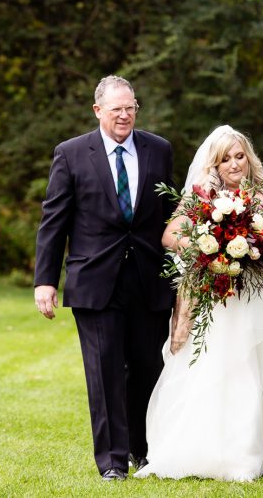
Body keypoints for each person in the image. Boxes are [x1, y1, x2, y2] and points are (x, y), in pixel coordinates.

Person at [134, 125, 263, 481]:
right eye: (225, 159)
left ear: (249, 157)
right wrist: (210, 252)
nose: (234, 164)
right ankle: (237, 453)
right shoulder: (203, 196)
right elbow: (170, 235)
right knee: (236, 370)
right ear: (214, 165)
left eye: (239, 156)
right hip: (227, 299)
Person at [33, 76, 176, 481]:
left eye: (131, 108)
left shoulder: (158, 149)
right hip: (95, 281)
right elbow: (54, 221)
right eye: (117, 109)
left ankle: (143, 450)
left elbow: (172, 214)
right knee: (105, 370)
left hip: (148, 278)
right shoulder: (71, 154)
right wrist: (45, 280)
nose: (125, 115)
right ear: (98, 111)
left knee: (148, 367)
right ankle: (112, 461)